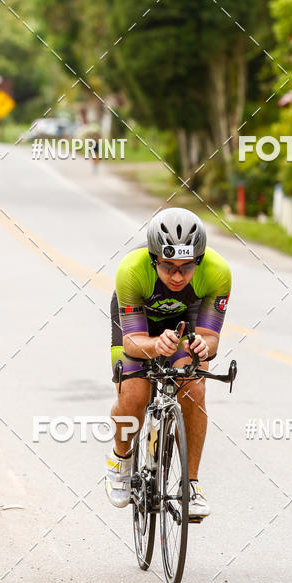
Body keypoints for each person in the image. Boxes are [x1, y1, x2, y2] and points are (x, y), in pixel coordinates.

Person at [105, 207, 231, 518]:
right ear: (153, 259)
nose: (177, 276)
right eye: (168, 266)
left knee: (194, 389)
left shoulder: (218, 272)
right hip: (139, 325)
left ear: (198, 261)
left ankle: (191, 484)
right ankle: (121, 458)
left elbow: (211, 338)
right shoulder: (131, 270)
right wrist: (155, 344)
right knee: (134, 394)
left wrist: (203, 344)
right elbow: (133, 342)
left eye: (186, 268)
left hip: (186, 318)